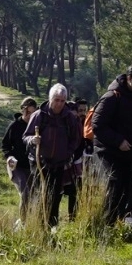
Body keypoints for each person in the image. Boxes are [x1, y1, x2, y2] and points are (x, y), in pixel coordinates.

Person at [92, 62, 132, 229]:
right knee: (114, 184)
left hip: (129, 152)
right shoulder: (111, 97)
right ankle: (106, 225)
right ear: (129, 79)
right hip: (108, 150)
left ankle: (119, 224)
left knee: (128, 188)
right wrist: (118, 141)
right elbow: (97, 125)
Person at [24, 84, 82, 229]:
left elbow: (75, 139)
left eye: (62, 101)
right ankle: (38, 227)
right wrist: (33, 140)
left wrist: (68, 153)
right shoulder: (39, 116)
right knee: (42, 195)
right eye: (57, 100)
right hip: (40, 163)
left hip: (59, 163)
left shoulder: (69, 118)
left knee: (55, 196)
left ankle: (52, 227)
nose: (59, 104)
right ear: (50, 99)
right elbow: (26, 136)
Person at [3, 97, 38, 206]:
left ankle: (31, 216)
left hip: (32, 166)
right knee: (25, 193)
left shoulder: (37, 127)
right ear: (22, 110)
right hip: (17, 166)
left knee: (34, 196)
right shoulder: (14, 126)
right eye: (27, 112)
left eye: (32, 113)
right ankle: (23, 217)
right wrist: (9, 157)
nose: (29, 116)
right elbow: (5, 145)